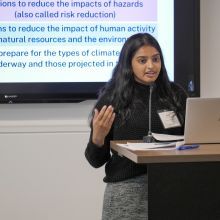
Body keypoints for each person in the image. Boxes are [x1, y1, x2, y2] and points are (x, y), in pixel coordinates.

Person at [85, 33, 188, 220]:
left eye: (156, 59)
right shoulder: (112, 100)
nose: (151, 66)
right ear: (128, 64)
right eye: (142, 60)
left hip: (173, 189)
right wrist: (98, 138)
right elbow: (95, 161)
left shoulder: (175, 95)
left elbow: (192, 140)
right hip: (127, 193)